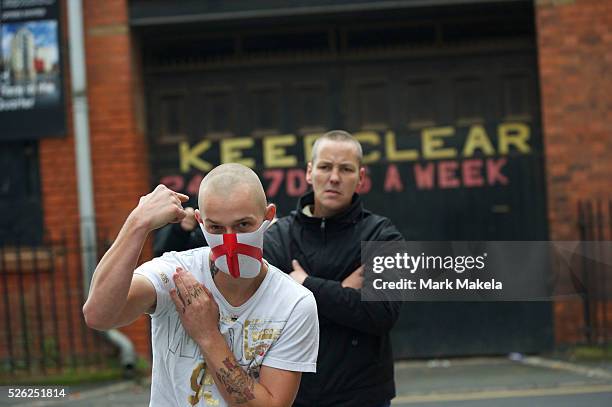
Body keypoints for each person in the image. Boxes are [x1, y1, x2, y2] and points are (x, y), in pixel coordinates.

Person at [83, 164, 319, 407]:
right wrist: (137, 224)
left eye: (243, 225)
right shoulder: (176, 273)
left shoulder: (294, 302)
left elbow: (270, 406)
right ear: (200, 222)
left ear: (267, 217)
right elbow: (98, 315)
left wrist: (207, 334)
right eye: (216, 227)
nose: (231, 241)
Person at [264, 130, 403, 407]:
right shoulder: (277, 237)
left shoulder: (381, 236)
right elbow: (270, 317)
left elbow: (382, 313)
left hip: (363, 397)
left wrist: (305, 286)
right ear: (309, 172)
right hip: (293, 396)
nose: (335, 177)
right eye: (326, 167)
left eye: (346, 169)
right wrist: (342, 292)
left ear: (360, 177)